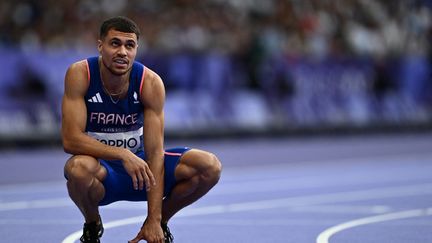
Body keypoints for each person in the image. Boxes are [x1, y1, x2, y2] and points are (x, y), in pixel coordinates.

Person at [62, 16, 222, 243]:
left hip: (143, 171)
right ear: (100, 46)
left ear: (137, 49)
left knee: (209, 166)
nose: (122, 52)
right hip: (103, 174)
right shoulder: (81, 74)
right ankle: (92, 223)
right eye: (115, 43)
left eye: (130, 46)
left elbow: (156, 153)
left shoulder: (150, 82)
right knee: (77, 169)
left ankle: (158, 223)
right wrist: (122, 154)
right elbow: (70, 140)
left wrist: (154, 217)